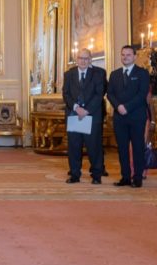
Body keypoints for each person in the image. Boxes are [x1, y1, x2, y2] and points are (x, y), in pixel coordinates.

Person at [107, 45, 150, 188]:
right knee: (122, 149)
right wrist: (118, 106)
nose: (125, 57)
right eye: (123, 55)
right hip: (119, 117)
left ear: (135, 56)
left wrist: (127, 107)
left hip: (137, 116)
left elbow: (142, 94)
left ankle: (137, 178)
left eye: (128, 55)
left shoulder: (142, 73)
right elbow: (110, 94)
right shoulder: (114, 74)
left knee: (138, 147)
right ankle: (125, 177)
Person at [62, 49, 106, 184]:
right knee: (74, 147)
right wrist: (76, 108)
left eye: (86, 58)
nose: (83, 61)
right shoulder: (69, 74)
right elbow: (66, 94)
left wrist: (86, 110)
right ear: (76, 59)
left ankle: (96, 175)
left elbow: (100, 94)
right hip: (74, 115)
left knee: (94, 147)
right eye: (80, 58)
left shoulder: (99, 73)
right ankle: (75, 174)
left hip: (92, 116)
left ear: (90, 60)